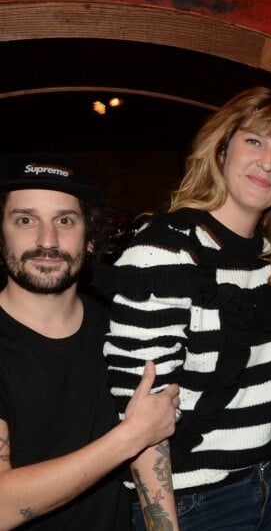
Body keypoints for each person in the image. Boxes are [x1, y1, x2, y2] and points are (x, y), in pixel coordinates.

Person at [94, 86, 271, 530]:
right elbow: (138, 414)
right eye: (254, 141)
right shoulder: (163, 253)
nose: (267, 162)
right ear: (221, 150)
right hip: (195, 505)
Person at [0, 152, 180, 530]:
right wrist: (130, 437)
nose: (46, 241)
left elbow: (152, 456)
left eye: (65, 220)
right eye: (25, 220)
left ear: (91, 239)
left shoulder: (120, 327)